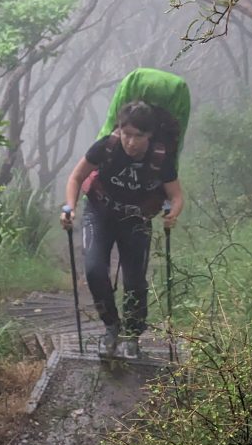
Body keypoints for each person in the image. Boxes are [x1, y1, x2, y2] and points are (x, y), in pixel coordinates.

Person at [61, 100, 184, 358]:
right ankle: (111, 328)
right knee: (95, 272)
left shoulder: (160, 158)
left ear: (149, 135)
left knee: (135, 281)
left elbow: (176, 195)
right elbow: (76, 177)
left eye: (138, 136)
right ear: (120, 130)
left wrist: (173, 213)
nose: (130, 142)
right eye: (126, 134)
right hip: (99, 212)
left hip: (136, 220)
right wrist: (69, 207)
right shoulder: (107, 146)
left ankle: (132, 336)